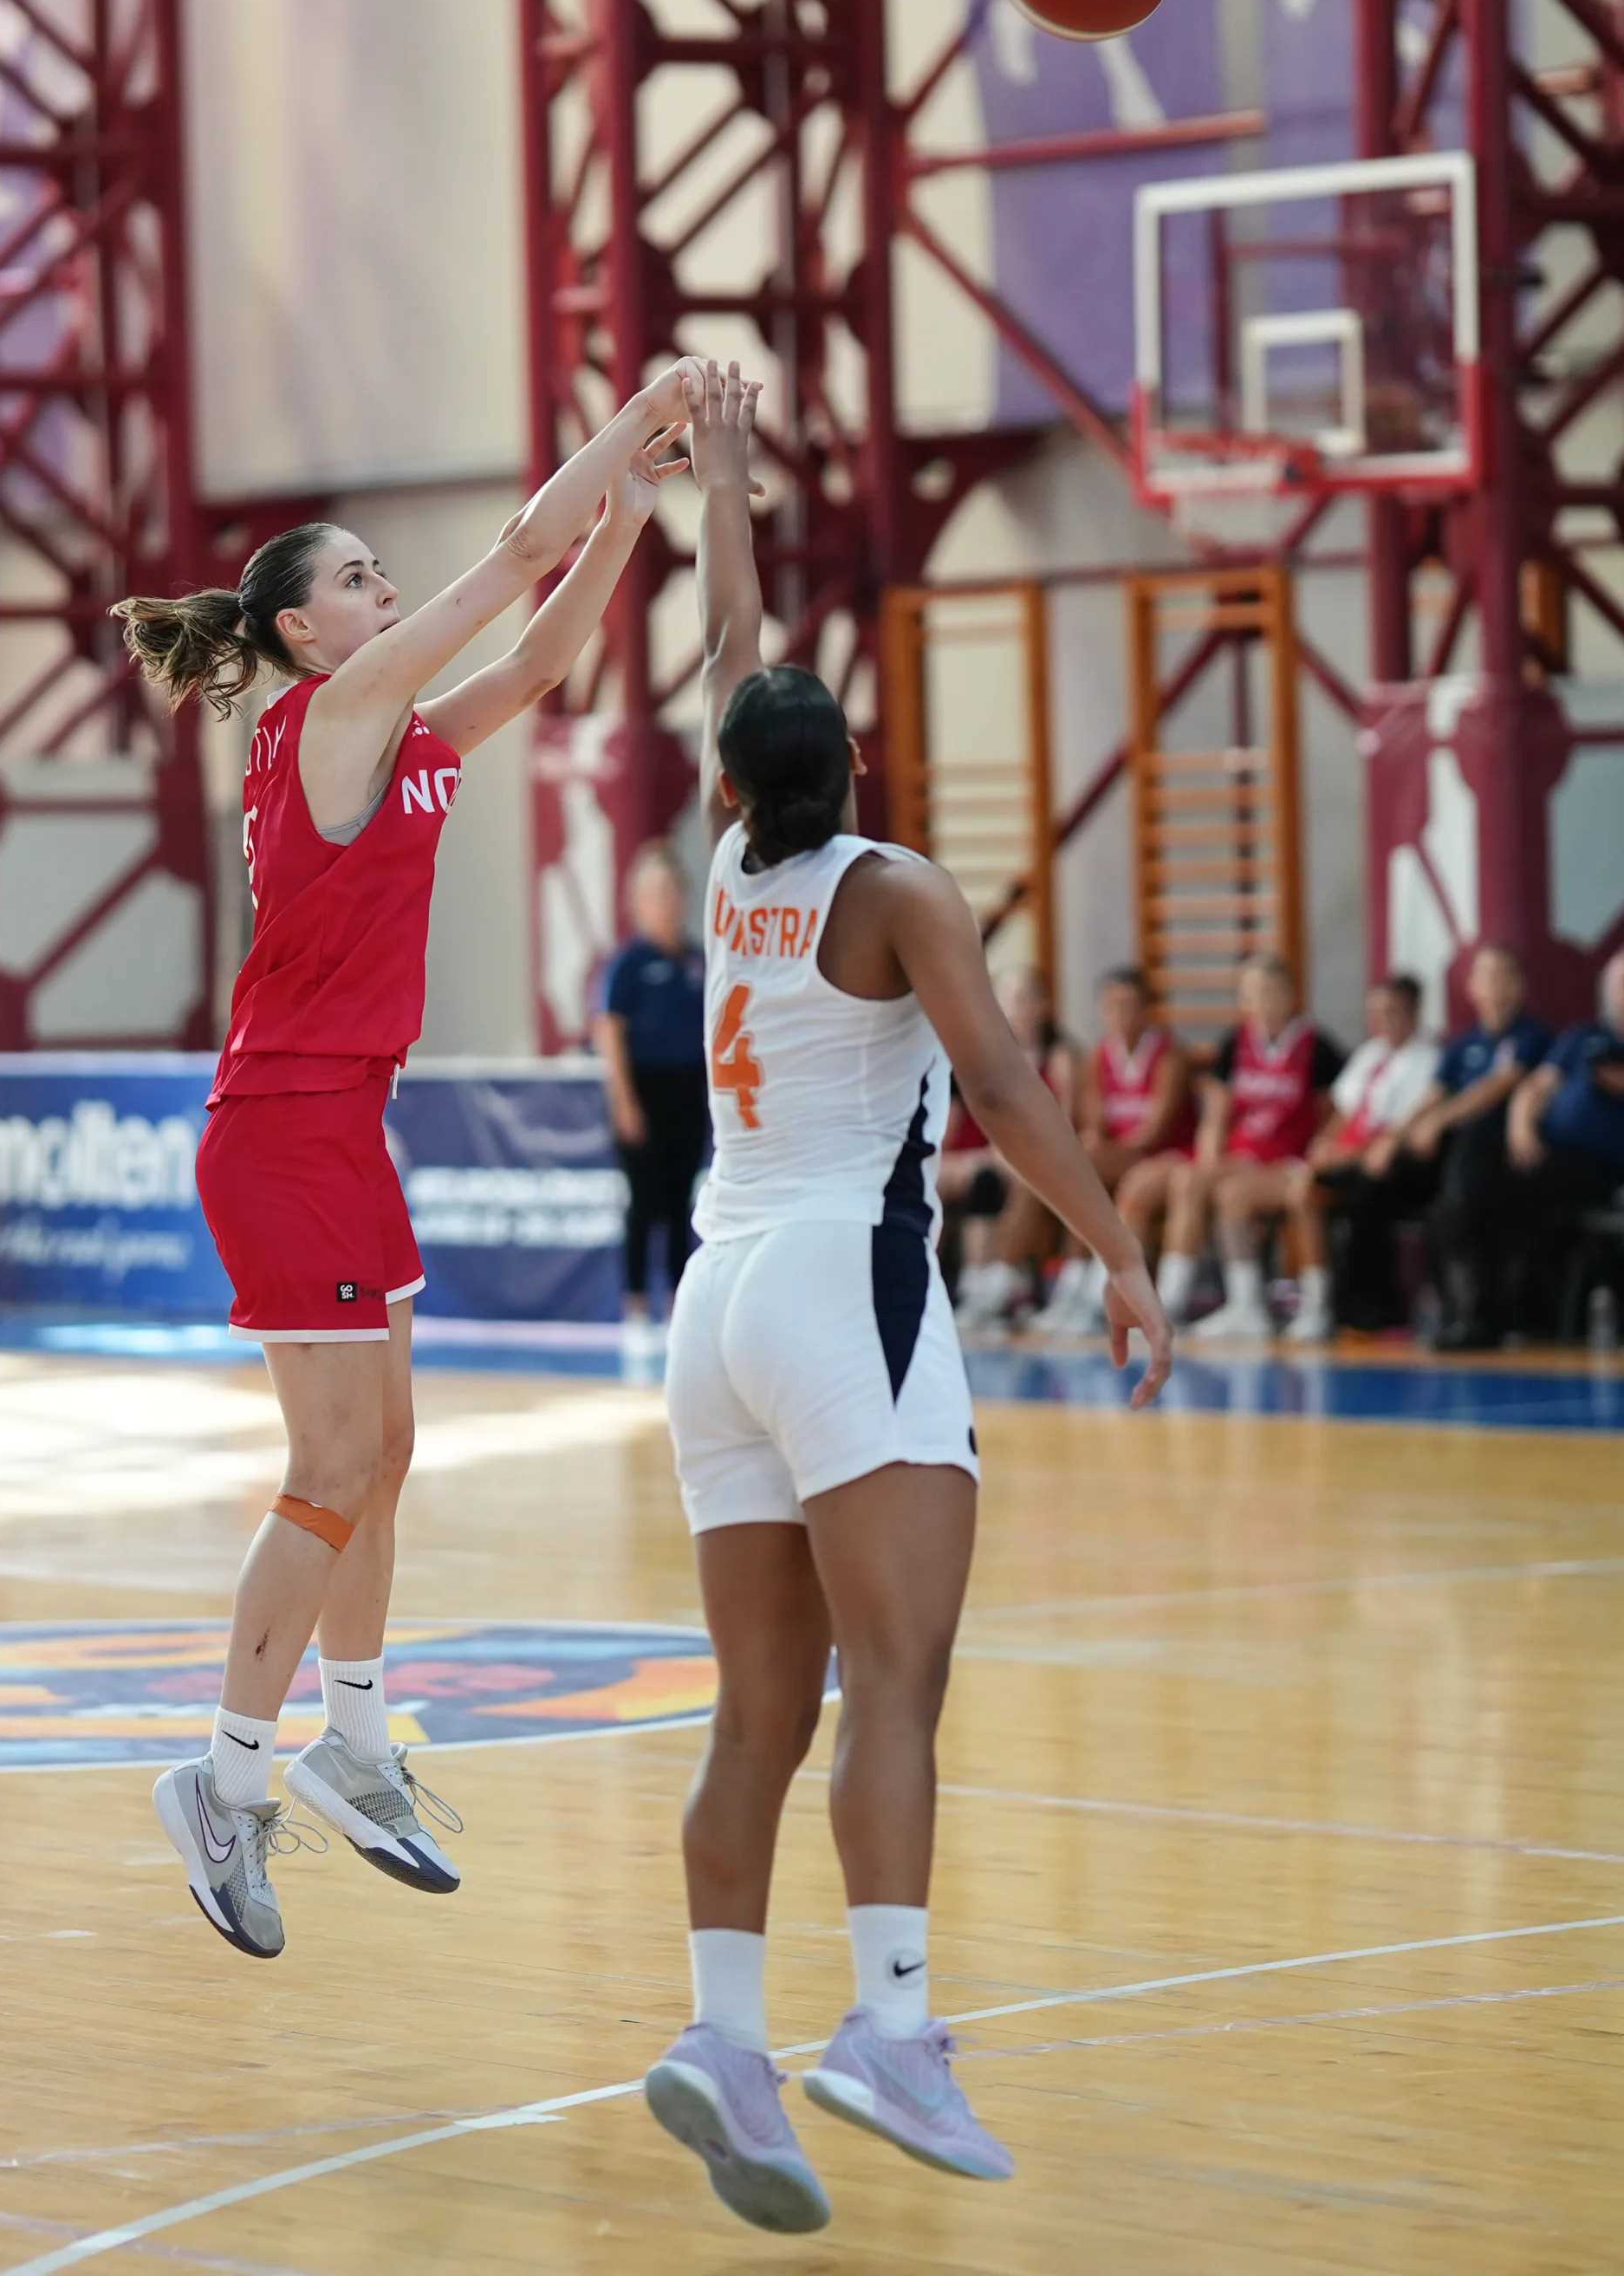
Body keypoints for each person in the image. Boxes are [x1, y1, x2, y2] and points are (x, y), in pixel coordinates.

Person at [642, 361, 1172, 2234]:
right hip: (842, 1291)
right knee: (900, 1686)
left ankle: (721, 2037)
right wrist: (1117, 1253)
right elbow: (1013, 1096)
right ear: (853, 770)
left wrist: (723, 480)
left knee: (754, 1714)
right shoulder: (895, 887)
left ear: (734, 785)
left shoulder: (726, 867)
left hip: (709, 1307)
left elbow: (729, 643)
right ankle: (884, 2028)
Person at [112, 363, 700, 1958]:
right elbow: (511, 560)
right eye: (360, 577)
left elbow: (535, 651)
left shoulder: (403, 727)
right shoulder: (330, 712)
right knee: (327, 1468)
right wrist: (634, 415)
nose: (384, 587)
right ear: (306, 629)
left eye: (384, 573)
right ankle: (225, 1784)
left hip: (342, 1118)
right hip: (283, 1121)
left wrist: (629, 521)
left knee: (391, 1450)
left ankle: (354, 1736)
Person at [1116, 953, 1343, 1341]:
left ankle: (1282, 1304)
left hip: (1290, 1161)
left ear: (1291, 995)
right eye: (1253, 992)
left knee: (1229, 1191)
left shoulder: (1316, 1046)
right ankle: (1186, 1301)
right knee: (1193, 1180)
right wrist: (1208, 1159)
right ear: (1243, 1000)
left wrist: (1320, 1156)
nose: (1263, 1000)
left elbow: (1335, 1115)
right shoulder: (1234, 1043)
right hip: (1245, 1158)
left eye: (1271, 990)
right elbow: (1216, 1118)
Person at [1387, 943, 1554, 1350]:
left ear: (1518, 986)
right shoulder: (1461, 1044)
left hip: (1503, 1153)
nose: (1494, 985)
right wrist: (1397, 1135)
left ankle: (1472, 1316)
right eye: (1485, 976)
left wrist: (1440, 1121)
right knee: (1385, 1180)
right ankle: (1376, 1307)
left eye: (1503, 975)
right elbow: (1433, 1094)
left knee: (1460, 1197)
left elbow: (1496, 1087)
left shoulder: (1532, 1036)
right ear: (1472, 987)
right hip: (1457, 1155)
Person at [1035, 963, 1195, 1336]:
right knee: (1076, 1174)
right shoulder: (1099, 1056)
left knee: (1086, 1175)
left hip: (1167, 1158)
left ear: (1146, 1009)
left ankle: (1092, 1294)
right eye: (1111, 1006)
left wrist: (1104, 1154)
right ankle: (1074, 1289)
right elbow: (1093, 1125)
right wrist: (1095, 1149)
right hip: (1122, 1159)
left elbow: (1155, 1131)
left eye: (1128, 1005)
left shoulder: (1170, 1055)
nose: (1119, 1014)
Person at [594, 844, 708, 1353]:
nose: (664, 901)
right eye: (653, 892)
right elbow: (609, 1034)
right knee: (643, 1205)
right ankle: (637, 1308)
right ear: (635, 902)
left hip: (691, 1092)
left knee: (684, 1203)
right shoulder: (627, 966)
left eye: (671, 890)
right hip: (644, 1091)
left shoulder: (698, 962)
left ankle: (680, 1309)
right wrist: (624, 1101)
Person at [1301, 973, 1440, 1331]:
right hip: (1354, 1157)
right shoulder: (1370, 1053)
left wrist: (1348, 1156)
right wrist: (1325, 1143)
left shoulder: (1428, 1059)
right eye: (1375, 1012)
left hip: (1397, 1163)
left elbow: (1400, 1130)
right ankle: (1315, 1304)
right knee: (1304, 1188)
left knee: (1366, 1190)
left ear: (1412, 1013)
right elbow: (1345, 1113)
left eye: (1391, 1011)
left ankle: (1370, 1308)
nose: (1382, 1021)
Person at [946, 966, 1080, 1326]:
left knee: (998, 1180)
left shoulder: (1060, 1057)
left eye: (1023, 998)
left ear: (1042, 1005)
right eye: (1007, 999)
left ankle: (995, 1283)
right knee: (939, 1178)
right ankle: (954, 1285)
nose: (1015, 1008)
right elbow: (951, 1128)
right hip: (988, 1158)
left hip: (1037, 1160)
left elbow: (1066, 1130)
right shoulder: (980, 1056)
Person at [1506, 952, 1624, 1321]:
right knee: (1486, 1179)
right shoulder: (1582, 1037)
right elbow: (1534, 1089)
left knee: (1532, 1193)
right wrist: (1521, 1128)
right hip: (1550, 1153)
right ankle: (1510, 1312)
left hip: (1604, 1166)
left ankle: (1544, 1312)